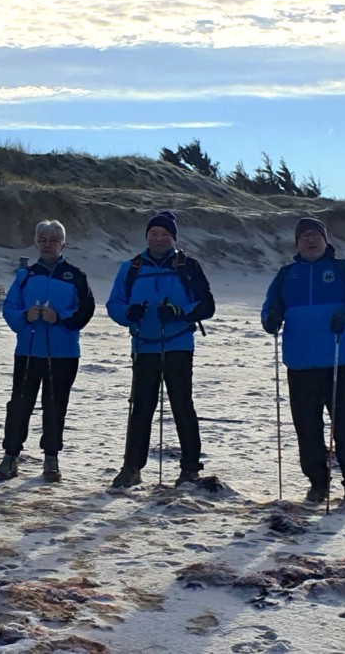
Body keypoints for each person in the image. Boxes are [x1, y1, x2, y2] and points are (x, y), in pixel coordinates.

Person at [261, 217, 345, 508]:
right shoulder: (287, 274)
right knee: (307, 429)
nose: (311, 240)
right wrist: (271, 319)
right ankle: (317, 484)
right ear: (297, 243)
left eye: (316, 235)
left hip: (336, 361)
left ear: (326, 241)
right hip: (299, 363)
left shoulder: (342, 269)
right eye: (305, 236)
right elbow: (272, 305)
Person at [105, 210, 215, 489]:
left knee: (182, 406)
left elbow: (207, 305)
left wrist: (180, 312)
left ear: (173, 237)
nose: (159, 238)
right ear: (147, 236)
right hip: (144, 346)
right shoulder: (131, 267)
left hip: (178, 345)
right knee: (141, 407)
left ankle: (190, 468)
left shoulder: (188, 266)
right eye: (154, 233)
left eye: (165, 234)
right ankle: (132, 468)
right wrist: (129, 313)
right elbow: (114, 304)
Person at [0, 219, 95, 483]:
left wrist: (59, 318)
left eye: (53, 240)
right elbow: (10, 307)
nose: (48, 244)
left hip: (63, 353)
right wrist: (25, 316)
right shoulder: (26, 276)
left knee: (55, 404)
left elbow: (85, 310)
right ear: (36, 243)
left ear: (63, 244)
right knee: (20, 404)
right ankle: (10, 456)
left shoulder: (76, 275)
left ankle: (51, 457)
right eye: (43, 240)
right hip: (29, 350)